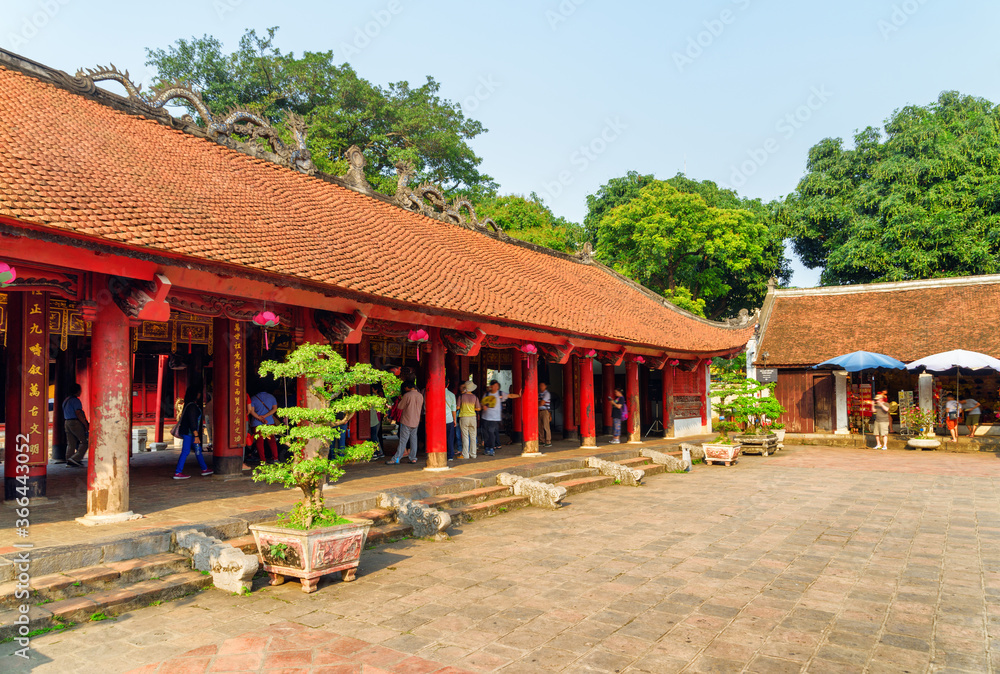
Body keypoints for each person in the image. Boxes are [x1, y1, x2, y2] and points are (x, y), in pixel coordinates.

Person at [174, 386, 213, 479]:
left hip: (190, 433)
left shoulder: (190, 405)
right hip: (189, 433)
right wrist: (196, 435)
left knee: (198, 450)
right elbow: (192, 422)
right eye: (199, 393)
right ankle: (178, 472)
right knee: (186, 451)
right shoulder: (192, 407)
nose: (200, 395)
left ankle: (204, 468)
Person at [481, 380, 520, 456]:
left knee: (491, 433)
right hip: (485, 417)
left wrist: (519, 395)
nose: (496, 387)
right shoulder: (486, 395)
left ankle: (492, 448)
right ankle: (486, 448)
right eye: (494, 386)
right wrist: (483, 406)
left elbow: (510, 396)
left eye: (497, 386)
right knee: (485, 434)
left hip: (494, 418)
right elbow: (481, 403)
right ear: (491, 386)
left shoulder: (500, 393)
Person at [388, 382, 423, 464]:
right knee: (414, 440)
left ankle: (396, 459)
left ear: (408, 387)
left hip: (406, 420)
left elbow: (400, 406)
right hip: (416, 421)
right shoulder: (420, 395)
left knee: (403, 440)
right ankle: (413, 458)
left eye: (405, 388)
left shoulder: (407, 395)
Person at [250, 388, 280, 464]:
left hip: (257, 423)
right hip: (269, 422)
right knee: (272, 441)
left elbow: (251, 411)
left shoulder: (253, 398)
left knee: (259, 442)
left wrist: (259, 418)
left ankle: (263, 460)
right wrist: (266, 416)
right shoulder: (271, 397)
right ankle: (275, 458)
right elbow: (275, 409)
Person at [63, 383, 89, 468]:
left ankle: (69, 460)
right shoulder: (76, 400)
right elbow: (78, 413)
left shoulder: (66, 400)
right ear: (77, 391)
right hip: (75, 422)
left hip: (67, 422)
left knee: (71, 443)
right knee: (84, 442)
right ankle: (75, 458)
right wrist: (85, 424)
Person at [457, 381, 481, 459]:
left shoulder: (461, 397)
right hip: (473, 418)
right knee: (473, 436)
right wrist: (471, 408)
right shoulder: (475, 397)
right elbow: (478, 408)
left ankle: (465, 454)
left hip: (464, 417)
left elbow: (457, 407)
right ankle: (473, 454)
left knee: (465, 436)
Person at [445, 377, 458, 461]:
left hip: (437, 420)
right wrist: (454, 420)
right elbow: (453, 409)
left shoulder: (435, 393)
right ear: (448, 384)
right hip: (449, 419)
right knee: (449, 438)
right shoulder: (451, 395)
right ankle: (450, 456)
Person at [538, 381, 553, 448]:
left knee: (546, 426)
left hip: (545, 411)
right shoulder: (539, 393)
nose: (541, 387)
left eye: (542, 385)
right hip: (538, 411)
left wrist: (537, 403)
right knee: (539, 427)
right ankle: (541, 440)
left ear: (545, 386)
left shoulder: (547, 394)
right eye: (540, 385)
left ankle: (548, 441)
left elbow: (542, 403)